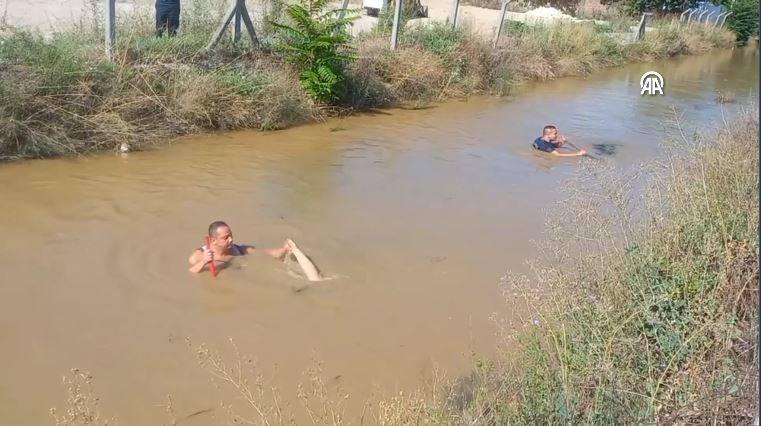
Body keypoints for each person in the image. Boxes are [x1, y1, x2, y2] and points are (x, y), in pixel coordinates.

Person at [188, 221, 322, 281]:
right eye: (225, 238)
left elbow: (269, 253)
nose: (231, 239)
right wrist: (204, 262)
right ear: (213, 241)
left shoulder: (239, 249)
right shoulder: (199, 255)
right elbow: (191, 272)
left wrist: (286, 249)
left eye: (231, 235)